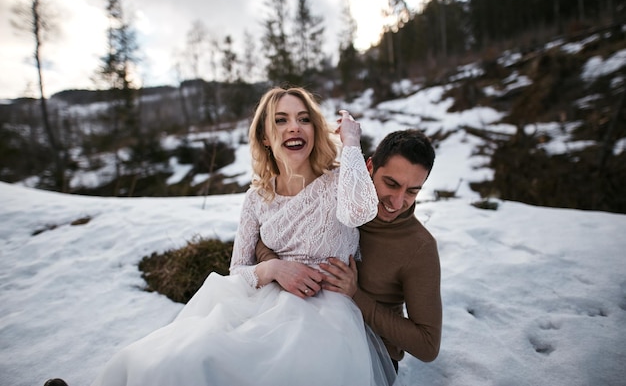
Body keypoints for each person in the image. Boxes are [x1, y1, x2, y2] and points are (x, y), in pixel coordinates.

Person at [89, 86, 397, 386]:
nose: (294, 127)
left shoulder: (340, 179)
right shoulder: (256, 198)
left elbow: (360, 212)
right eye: (281, 120)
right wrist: (274, 269)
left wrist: (352, 143)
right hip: (267, 304)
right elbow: (238, 270)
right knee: (190, 356)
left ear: (315, 130)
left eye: (304, 119)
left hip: (326, 314)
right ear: (265, 136)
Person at [256, 128, 442, 371]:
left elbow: (428, 346)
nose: (397, 202)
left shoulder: (419, 247)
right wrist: (279, 267)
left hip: (369, 358)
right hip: (297, 326)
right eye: (391, 183)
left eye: (412, 191)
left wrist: (355, 296)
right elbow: (264, 238)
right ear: (369, 167)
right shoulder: (333, 197)